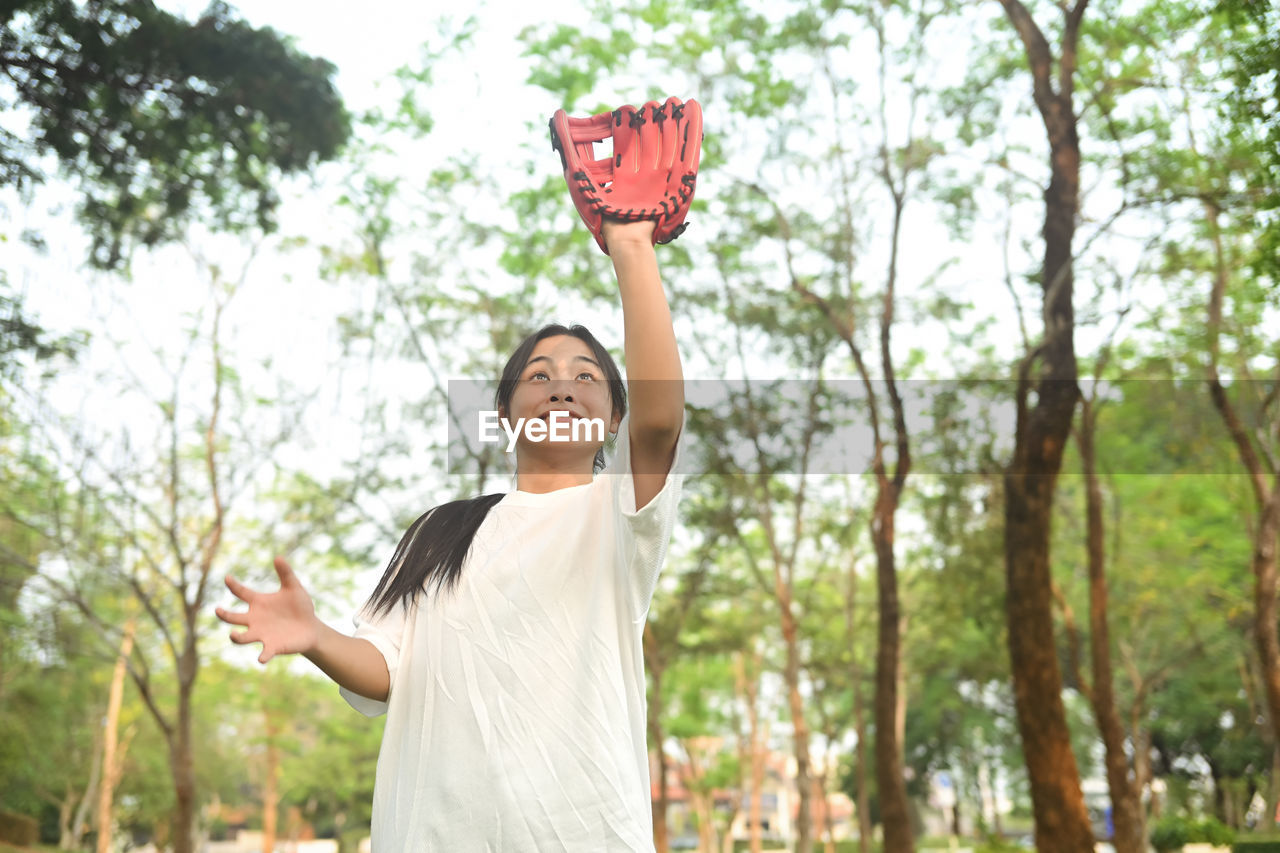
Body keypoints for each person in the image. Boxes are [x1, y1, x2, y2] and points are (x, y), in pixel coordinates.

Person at [215, 216, 686, 851]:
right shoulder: (441, 532)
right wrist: (317, 637)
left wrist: (631, 245)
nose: (562, 388)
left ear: (613, 420)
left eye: (586, 377)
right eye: (539, 375)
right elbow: (385, 669)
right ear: (504, 415)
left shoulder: (619, 516)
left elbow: (661, 422)